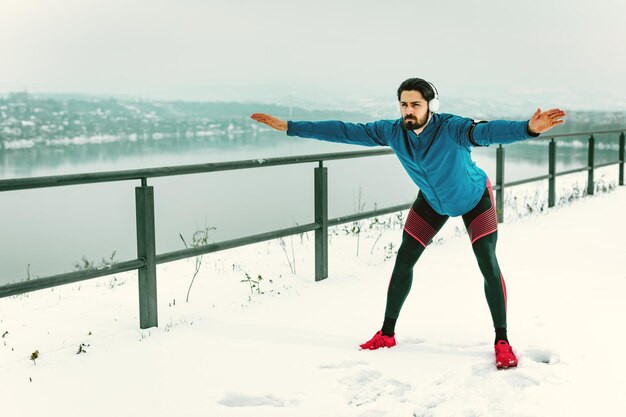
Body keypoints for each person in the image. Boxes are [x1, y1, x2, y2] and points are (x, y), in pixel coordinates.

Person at [250, 78, 565, 369]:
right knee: (404, 260)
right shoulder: (392, 131)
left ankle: (502, 340)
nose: (408, 110)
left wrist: (528, 128)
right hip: (432, 200)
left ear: (431, 105)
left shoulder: (452, 128)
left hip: (473, 198)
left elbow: (485, 132)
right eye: (404, 104)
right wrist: (290, 126)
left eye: (415, 104)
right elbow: (345, 130)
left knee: (487, 262)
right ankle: (387, 333)